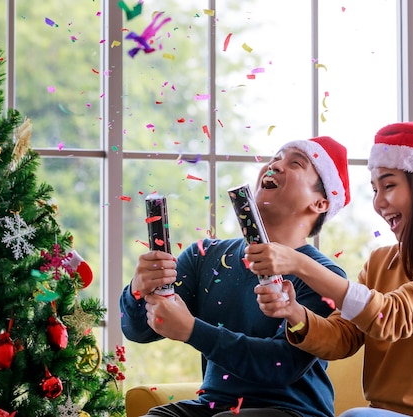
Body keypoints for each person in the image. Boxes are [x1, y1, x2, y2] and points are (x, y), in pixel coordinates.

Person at [248, 122, 413, 417]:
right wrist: (293, 312)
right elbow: (342, 338)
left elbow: (394, 317)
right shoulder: (381, 261)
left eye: (389, 185)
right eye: (374, 190)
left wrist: (301, 264)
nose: (379, 203)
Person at [120, 136, 352, 417]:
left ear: (320, 203)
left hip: (292, 412)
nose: (276, 165)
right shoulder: (204, 256)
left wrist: (193, 330)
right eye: (276, 157)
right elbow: (138, 332)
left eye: (295, 164)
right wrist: (138, 289)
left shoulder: (324, 276)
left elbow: (281, 366)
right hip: (214, 407)